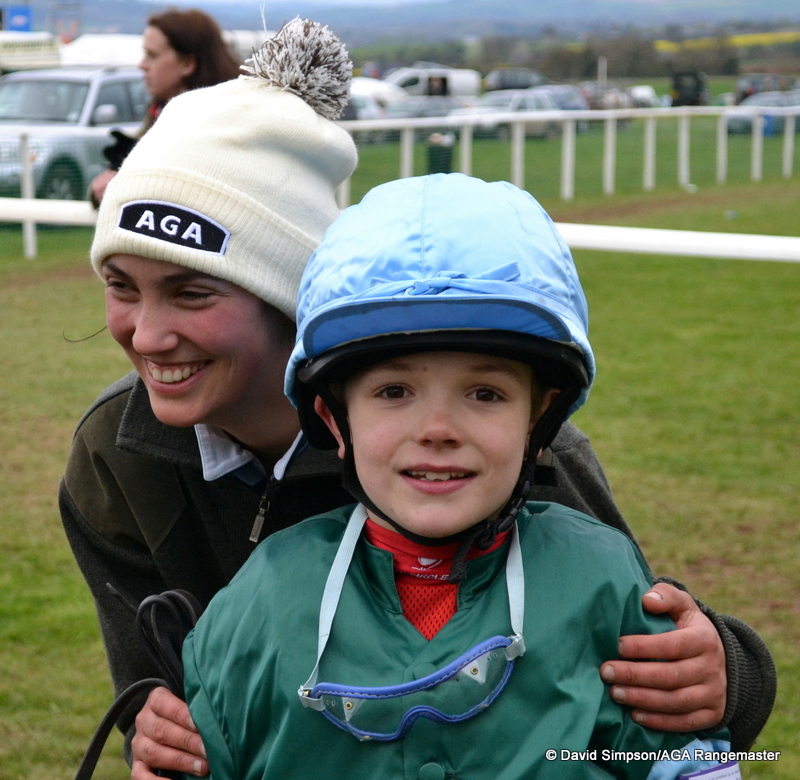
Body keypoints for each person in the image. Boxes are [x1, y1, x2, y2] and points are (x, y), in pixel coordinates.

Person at [60, 19, 775, 780]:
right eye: (120, 288)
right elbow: (158, 696)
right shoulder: (114, 452)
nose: (150, 333)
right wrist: (163, 733)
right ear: (337, 409)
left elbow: (642, 649)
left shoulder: (528, 451)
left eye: (191, 291)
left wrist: (729, 670)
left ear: (286, 296)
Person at [182, 173, 753, 779]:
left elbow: (680, 761)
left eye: (484, 393)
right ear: (335, 418)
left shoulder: (603, 581)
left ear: (539, 419)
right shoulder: (257, 603)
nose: (438, 428)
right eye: (393, 391)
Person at [89, 8, 241, 206]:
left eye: (152, 55)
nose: (142, 65)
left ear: (187, 63)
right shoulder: (159, 112)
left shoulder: (222, 125)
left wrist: (127, 183)